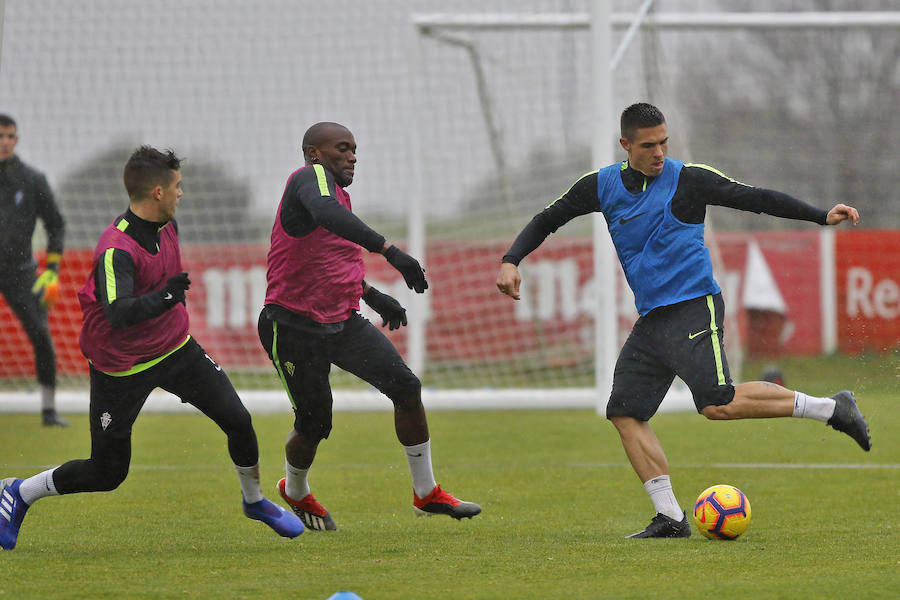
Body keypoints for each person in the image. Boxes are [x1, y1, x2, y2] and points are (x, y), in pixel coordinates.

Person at [496, 102, 871, 539]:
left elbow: (755, 198)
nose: (659, 152)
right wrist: (511, 260)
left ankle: (831, 408)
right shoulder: (599, 186)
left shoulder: (688, 178)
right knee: (624, 411)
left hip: (695, 304)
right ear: (626, 145)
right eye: (649, 145)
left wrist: (821, 215)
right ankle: (671, 517)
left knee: (717, 403)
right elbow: (548, 218)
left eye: (664, 142)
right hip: (653, 319)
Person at [0, 146, 304, 551]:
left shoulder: (167, 224)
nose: (183, 193)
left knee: (239, 420)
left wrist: (166, 300)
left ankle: (254, 502)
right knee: (106, 474)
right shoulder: (115, 249)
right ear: (157, 192)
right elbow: (119, 313)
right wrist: (165, 296)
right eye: (177, 186)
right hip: (121, 368)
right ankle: (19, 492)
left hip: (176, 349)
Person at [259, 122, 480, 531]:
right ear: (314, 153)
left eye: (355, 149)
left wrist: (372, 296)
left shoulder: (337, 197)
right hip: (291, 326)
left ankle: (426, 493)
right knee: (315, 422)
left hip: (341, 322)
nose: (353, 156)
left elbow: (327, 262)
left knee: (406, 387)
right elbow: (326, 216)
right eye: (342, 148)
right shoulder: (309, 180)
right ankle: (294, 488)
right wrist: (390, 251)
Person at [0, 113, 67, 426]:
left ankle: (49, 410)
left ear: (17, 139)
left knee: (41, 334)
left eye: (10, 136)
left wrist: (51, 269)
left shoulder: (31, 179)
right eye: (0, 136)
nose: (4, 142)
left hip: (20, 270)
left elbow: (56, 224)